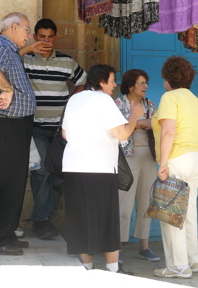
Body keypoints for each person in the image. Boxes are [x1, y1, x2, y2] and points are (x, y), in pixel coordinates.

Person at [62, 64, 142, 273]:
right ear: (101, 82)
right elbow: (123, 134)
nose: (115, 85)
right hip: (99, 168)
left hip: (72, 166)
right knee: (107, 218)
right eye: (113, 80)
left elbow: (64, 135)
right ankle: (113, 268)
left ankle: (86, 265)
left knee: (80, 217)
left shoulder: (74, 99)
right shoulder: (104, 100)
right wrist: (134, 115)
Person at [0, 12, 45, 255]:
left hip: (13, 125)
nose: (29, 35)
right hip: (4, 125)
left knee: (14, 183)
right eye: (27, 30)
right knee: (5, 183)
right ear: (14, 27)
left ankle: (6, 235)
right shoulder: (1, 46)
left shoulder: (10, 50)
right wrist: (7, 89)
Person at [22, 18, 87, 240]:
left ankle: (48, 219)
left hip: (60, 128)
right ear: (34, 37)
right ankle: (41, 221)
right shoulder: (26, 59)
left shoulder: (67, 61)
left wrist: (72, 100)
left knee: (59, 172)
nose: (46, 41)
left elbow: (82, 81)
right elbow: (5, 63)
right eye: (42, 37)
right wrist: (28, 48)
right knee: (41, 169)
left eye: (50, 37)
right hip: (36, 126)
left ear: (55, 37)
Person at [151, 56, 198, 279]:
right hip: (194, 157)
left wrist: (163, 163)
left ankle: (177, 266)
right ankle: (192, 261)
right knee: (189, 212)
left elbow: (168, 131)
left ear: (168, 77)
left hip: (176, 159)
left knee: (170, 214)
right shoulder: (194, 99)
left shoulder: (169, 97)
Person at [115, 69, 160, 262]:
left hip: (149, 157)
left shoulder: (149, 104)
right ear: (131, 85)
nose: (145, 87)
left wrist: (135, 123)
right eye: (141, 83)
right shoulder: (118, 104)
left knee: (146, 202)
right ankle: (118, 247)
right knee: (123, 203)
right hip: (127, 158)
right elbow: (118, 128)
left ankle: (144, 246)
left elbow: (156, 124)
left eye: (146, 83)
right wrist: (141, 123)